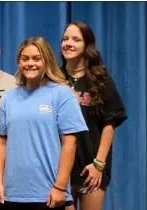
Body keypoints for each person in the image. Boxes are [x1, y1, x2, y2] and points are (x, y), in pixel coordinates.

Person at [0, 37, 88, 210]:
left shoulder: (62, 94)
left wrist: (60, 187)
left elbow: (70, 144)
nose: (30, 63)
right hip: (12, 193)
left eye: (36, 58)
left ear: (46, 60)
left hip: (48, 193)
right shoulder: (9, 98)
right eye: (25, 58)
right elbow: (1, 142)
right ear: (18, 62)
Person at [60, 22, 127, 210]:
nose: (68, 43)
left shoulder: (100, 78)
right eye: (65, 39)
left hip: (91, 166)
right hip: (60, 168)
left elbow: (109, 124)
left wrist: (99, 165)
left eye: (76, 39)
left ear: (87, 45)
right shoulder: (53, 78)